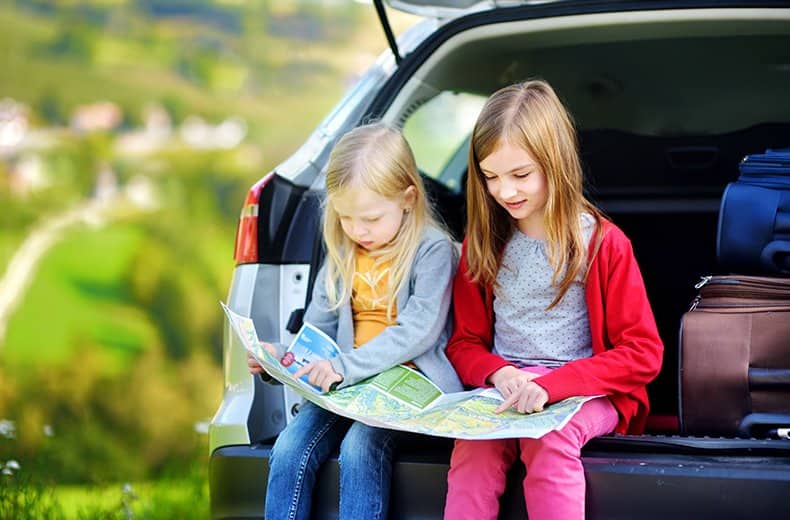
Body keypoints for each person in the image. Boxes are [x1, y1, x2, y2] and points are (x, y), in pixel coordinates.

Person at [443, 80, 663, 520]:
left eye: (520, 175)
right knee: (472, 447)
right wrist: (499, 372)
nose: (505, 191)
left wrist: (550, 386)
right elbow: (464, 344)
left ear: (555, 163)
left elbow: (643, 354)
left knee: (550, 438)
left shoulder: (602, 244)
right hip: (506, 389)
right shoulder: (483, 244)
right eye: (490, 177)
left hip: (582, 392)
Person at [247, 122, 463, 520]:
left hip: (408, 387)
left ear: (408, 199)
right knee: (290, 446)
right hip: (349, 386)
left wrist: (344, 367)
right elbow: (319, 330)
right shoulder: (344, 254)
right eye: (346, 218)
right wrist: (283, 360)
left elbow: (420, 330)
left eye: (370, 219)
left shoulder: (433, 251)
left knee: (360, 445)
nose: (357, 231)